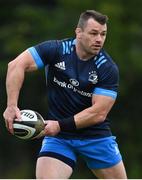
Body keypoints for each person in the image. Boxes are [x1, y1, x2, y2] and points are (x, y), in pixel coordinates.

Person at [3, 10, 127, 179]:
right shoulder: (56, 50)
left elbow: (98, 113)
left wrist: (59, 125)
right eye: (93, 33)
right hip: (59, 139)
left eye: (103, 34)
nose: (99, 39)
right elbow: (16, 65)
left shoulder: (107, 68)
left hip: (95, 138)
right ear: (79, 32)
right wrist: (11, 106)